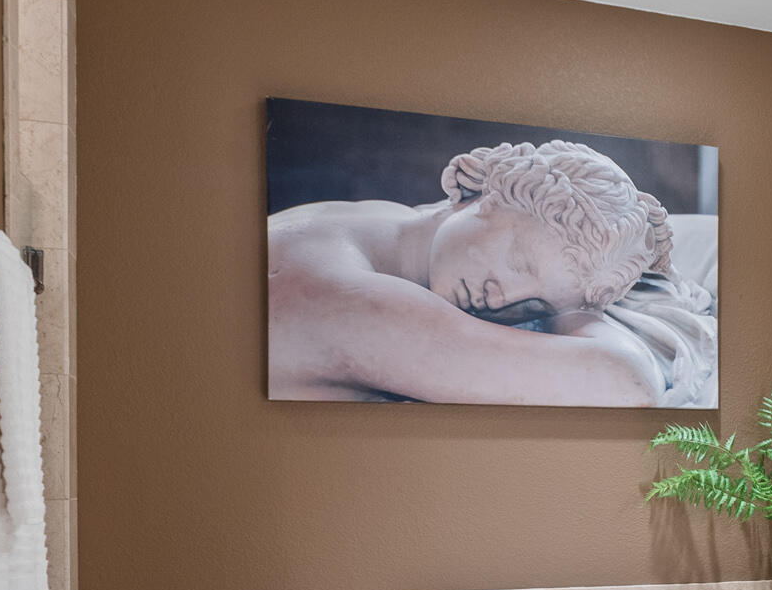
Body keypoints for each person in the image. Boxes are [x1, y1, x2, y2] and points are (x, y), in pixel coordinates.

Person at [267, 138, 715, 405]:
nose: (503, 299)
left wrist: (577, 293)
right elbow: (627, 382)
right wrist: (579, 314)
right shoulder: (349, 301)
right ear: (488, 197)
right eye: (519, 261)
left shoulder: (382, 225)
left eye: (536, 304)